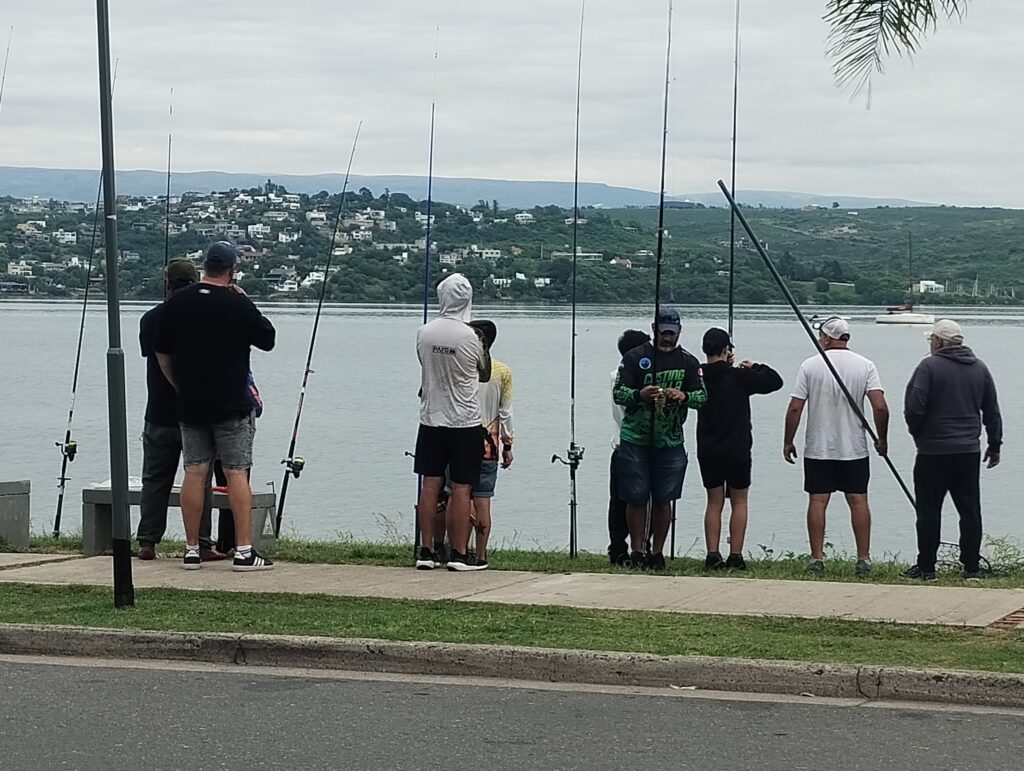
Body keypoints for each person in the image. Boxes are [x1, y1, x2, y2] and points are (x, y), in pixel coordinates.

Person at [154, 241, 276, 571]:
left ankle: (192, 548)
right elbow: (268, 338)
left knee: (194, 471)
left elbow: (161, 351)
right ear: (231, 270)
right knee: (237, 473)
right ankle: (244, 551)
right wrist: (245, 299)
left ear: (204, 266)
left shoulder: (178, 304)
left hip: (190, 401)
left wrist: (179, 385)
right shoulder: (237, 304)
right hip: (231, 402)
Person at [783, 317, 888, 576]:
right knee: (859, 500)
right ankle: (863, 558)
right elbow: (880, 406)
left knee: (818, 500)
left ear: (827, 339)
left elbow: (796, 406)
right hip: (854, 447)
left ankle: (816, 558)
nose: (820, 340)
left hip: (819, 447)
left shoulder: (810, 365)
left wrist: (788, 440)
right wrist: (882, 438)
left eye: (821, 336)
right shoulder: (866, 365)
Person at [137, 259, 226, 562]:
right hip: (196, 413)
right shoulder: (204, 317)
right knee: (199, 477)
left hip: (158, 412)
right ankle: (201, 542)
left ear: (167, 283)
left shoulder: (151, 319)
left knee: (154, 479)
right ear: (197, 281)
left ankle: (148, 541)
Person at [902, 319, 1003, 581]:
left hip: (933, 452)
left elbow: (914, 408)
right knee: (970, 510)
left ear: (937, 342)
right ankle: (972, 567)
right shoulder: (980, 368)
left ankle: (926, 568)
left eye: (931, 340)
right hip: (968, 451)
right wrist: (994, 445)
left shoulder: (929, 367)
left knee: (928, 511)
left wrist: (919, 435)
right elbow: (991, 410)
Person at [612, 307, 707, 570]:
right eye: (663, 333)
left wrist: (684, 396)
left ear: (678, 333)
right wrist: (639, 395)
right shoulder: (635, 358)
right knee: (636, 496)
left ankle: (657, 551)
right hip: (635, 438)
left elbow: (702, 398)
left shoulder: (689, 362)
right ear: (655, 331)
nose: (667, 339)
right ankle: (637, 549)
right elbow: (619, 393)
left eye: (671, 334)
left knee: (665, 498)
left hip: (670, 440)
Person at [414, 273, 491, 572]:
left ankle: (427, 549)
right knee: (462, 487)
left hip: (431, 419)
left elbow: (423, 363)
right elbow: (483, 372)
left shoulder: (424, 333)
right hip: (464, 422)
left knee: (430, 484)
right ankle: (459, 553)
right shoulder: (472, 337)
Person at [697, 327, 783, 571]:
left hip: (708, 447)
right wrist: (754, 366)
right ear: (726, 350)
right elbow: (775, 381)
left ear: (705, 349)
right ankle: (735, 554)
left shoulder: (698, 376)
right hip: (737, 448)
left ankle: (712, 554)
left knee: (714, 501)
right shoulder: (739, 376)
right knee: (739, 501)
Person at [437, 319, 513, 570]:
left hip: (458, 436)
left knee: (454, 493)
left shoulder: (461, 368)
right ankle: (480, 555)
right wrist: (508, 443)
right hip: (489, 444)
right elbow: (506, 412)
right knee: (483, 498)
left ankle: (455, 549)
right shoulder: (502, 372)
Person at [608, 329, 651, 565]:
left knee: (621, 501)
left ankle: (623, 547)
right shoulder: (623, 377)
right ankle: (628, 547)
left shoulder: (616, 375)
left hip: (621, 445)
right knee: (631, 500)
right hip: (632, 445)